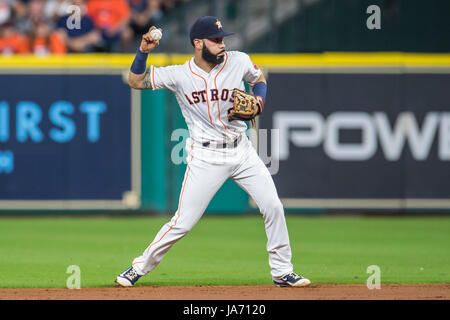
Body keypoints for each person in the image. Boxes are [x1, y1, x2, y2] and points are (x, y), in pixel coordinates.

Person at [115, 16, 311, 288]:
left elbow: (259, 79)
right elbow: (135, 81)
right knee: (182, 223)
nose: (222, 44)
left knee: (273, 206)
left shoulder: (238, 60)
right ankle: (137, 268)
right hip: (206, 157)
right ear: (198, 43)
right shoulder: (179, 74)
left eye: (223, 39)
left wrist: (260, 101)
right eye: (216, 40)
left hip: (242, 151)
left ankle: (282, 272)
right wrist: (143, 52)